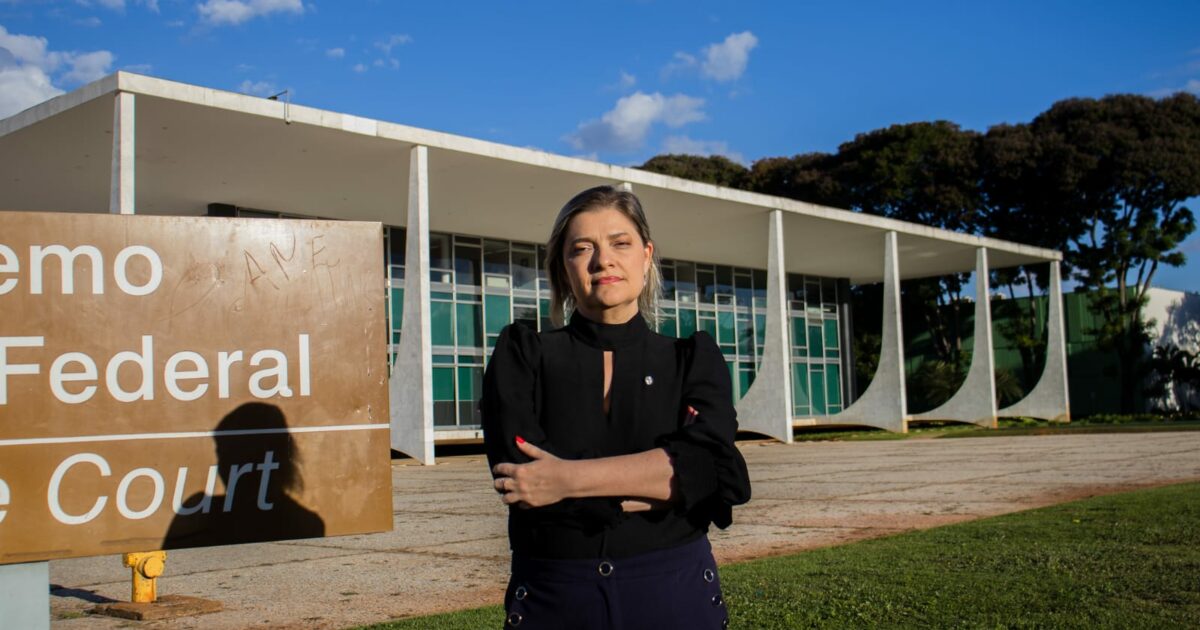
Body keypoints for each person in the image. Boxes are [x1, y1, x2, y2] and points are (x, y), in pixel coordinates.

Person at [481, 185, 752, 629]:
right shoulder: (523, 356)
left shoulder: (691, 359)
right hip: (555, 600)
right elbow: (523, 481)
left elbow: (716, 473)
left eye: (620, 243)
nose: (602, 260)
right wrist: (664, 480)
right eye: (581, 248)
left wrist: (566, 478)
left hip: (676, 595)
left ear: (646, 256)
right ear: (563, 267)